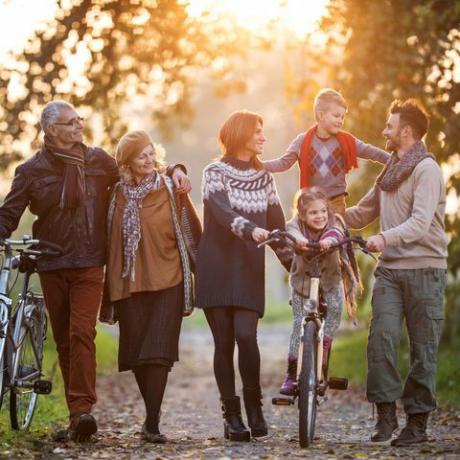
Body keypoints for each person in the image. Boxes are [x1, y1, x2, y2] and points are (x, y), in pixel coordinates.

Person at [0, 101, 190, 441]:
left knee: (81, 333)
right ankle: (77, 417)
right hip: (53, 262)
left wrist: (174, 167)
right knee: (63, 341)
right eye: (71, 123)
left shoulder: (98, 161)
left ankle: (82, 411)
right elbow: (9, 213)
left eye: (79, 120)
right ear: (51, 130)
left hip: (89, 263)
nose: (78, 126)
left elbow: (138, 171)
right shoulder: (31, 171)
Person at [345, 99, 448, 446]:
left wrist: (383, 238)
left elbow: (420, 223)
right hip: (390, 271)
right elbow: (363, 212)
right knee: (381, 340)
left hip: (425, 270)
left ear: (405, 131)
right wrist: (323, 217)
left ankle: (417, 423)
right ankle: (386, 415)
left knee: (424, 350)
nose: (384, 131)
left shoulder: (427, 170)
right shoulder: (390, 168)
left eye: (390, 126)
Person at [195, 110, 291, 442]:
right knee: (223, 342)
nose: (263, 137)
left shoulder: (265, 178)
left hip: (248, 270)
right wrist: (252, 231)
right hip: (216, 267)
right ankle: (231, 417)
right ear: (241, 134)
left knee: (246, 336)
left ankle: (254, 406)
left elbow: (277, 226)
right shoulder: (214, 172)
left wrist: (296, 263)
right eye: (258, 131)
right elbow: (221, 213)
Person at [103, 130, 199, 443]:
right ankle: (150, 417)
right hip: (128, 282)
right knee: (136, 354)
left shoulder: (171, 188)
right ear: (127, 163)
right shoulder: (115, 194)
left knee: (158, 351)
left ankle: (152, 422)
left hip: (168, 278)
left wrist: (177, 169)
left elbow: (191, 230)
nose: (149, 159)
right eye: (140, 156)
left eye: (150, 153)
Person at [279, 186, 359, 395]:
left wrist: (329, 241)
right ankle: (291, 371)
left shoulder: (334, 222)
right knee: (298, 324)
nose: (320, 216)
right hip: (302, 285)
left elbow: (336, 233)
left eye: (323, 211)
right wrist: (299, 241)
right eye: (313, 212)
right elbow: (290, 230)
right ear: (303, 215)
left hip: (330, 281)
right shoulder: (295, 225)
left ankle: (323, 357)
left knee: (334, 313)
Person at [262, 88, 390, 215]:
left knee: (333, 233)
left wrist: (395, 160)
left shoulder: (346, 141)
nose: (340, 121)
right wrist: (257, 165)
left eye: (342, 117)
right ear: (321, 115)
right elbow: (283, 163)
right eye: (336, 116)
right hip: (311, 203)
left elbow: (373, 152)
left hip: (336, 202)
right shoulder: (302, 141)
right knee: (310, 233)